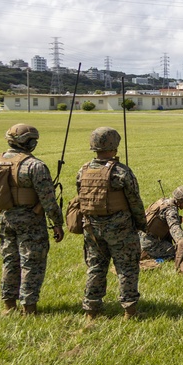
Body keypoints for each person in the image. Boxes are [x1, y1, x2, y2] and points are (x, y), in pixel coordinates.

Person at [0, 124, 64, 316]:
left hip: (6, 218)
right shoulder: (35, 166)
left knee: (10, 261)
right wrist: (57, 223)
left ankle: (8, 305)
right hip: (30, 221)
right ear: (29, 142)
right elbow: (48, 200)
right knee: (32, 262)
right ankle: (28, 308)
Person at [77, 127, 146, 320]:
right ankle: (129, 311)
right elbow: (135, 201)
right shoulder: (121, 172)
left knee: (96, 266)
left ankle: (92, 310)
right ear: (114, 146)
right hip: (120, 228)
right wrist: (141, 223)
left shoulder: (83, 170)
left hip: (91, 227)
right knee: (127, 267)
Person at [140, 185, 183, 261]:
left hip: (140, 238)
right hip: (149, 244)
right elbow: (175, 230)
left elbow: (161, 217)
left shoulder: (163, 201)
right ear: (181, 200)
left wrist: (180, 219)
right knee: (177, 252)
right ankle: (148, 256)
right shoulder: (171, 210)